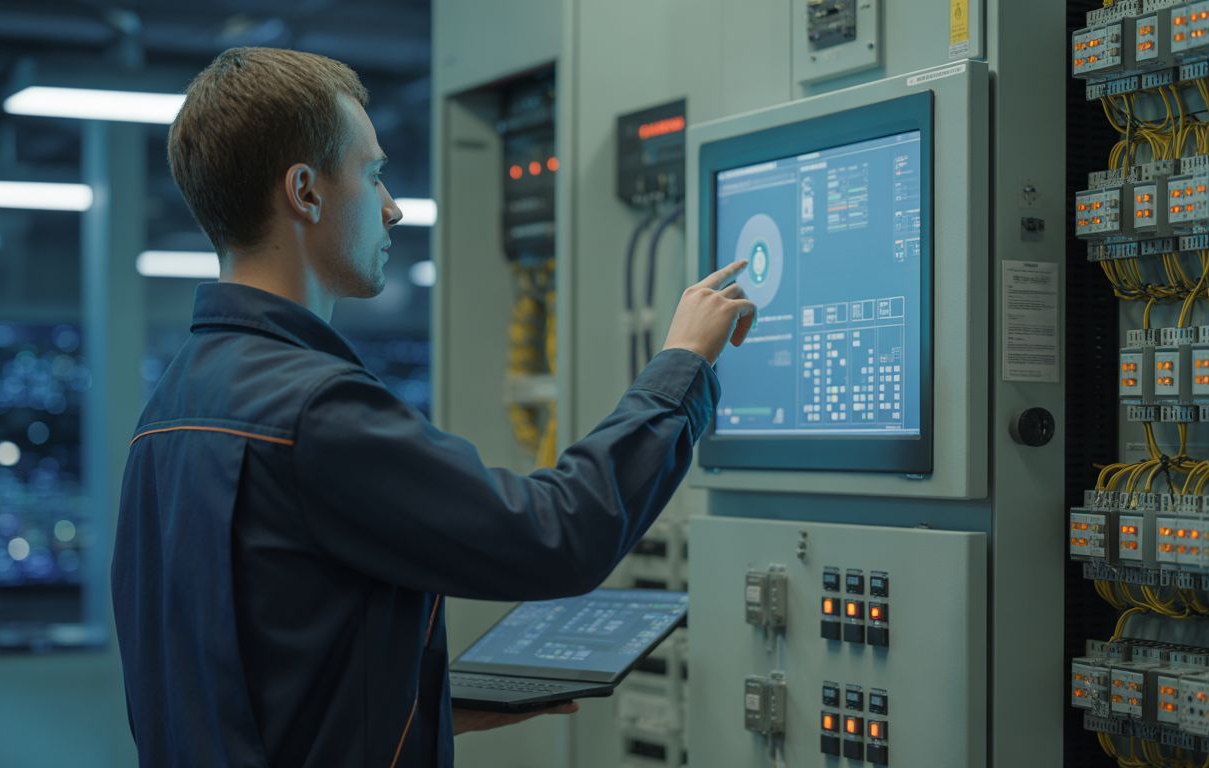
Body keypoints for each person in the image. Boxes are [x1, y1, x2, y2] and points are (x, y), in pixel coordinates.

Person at [110, 47, 755, 768]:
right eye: (374, 174)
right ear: (306, 192)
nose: (393, 207)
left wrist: (419, 704)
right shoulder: (314, 410)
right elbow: (555, 534)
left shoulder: (172, 404)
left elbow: (238, 669)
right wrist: (680, 368)